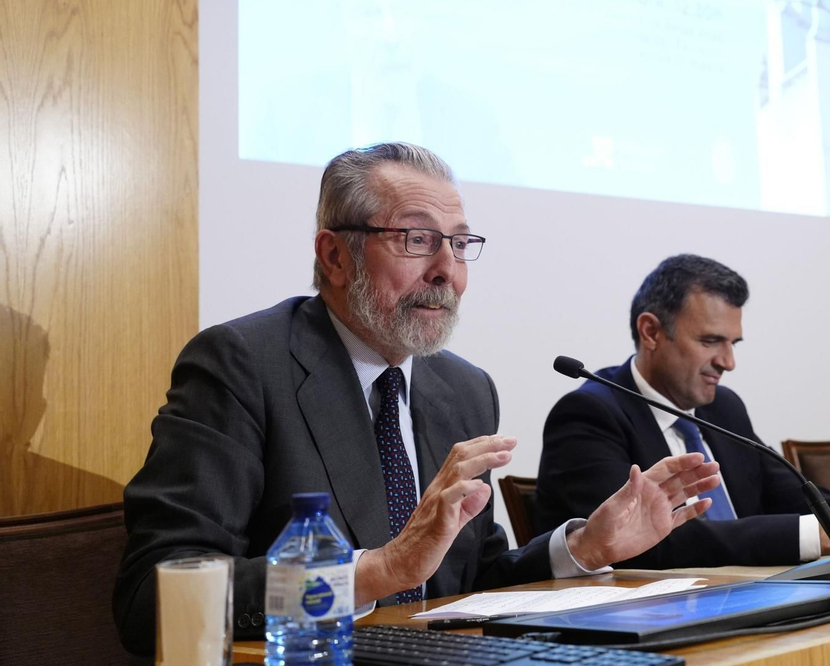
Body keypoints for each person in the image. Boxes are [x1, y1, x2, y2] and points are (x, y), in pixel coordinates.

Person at [113, 144, 721, 654]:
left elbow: (472, 582)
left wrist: (586, 546)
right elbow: (155, 595)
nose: (447, 271)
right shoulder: (243, 364)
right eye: (416, 239)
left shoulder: (463, 389)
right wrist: (377, 572)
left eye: (459, 245)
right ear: (333, 256)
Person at [532, 254, 830, 568]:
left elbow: (797, 495)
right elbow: (644, 544)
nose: (728, 362)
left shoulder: (723, 407)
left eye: (733, 343)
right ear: (651, 331)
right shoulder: (589, 414)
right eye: (710, 341)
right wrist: (819, 535)